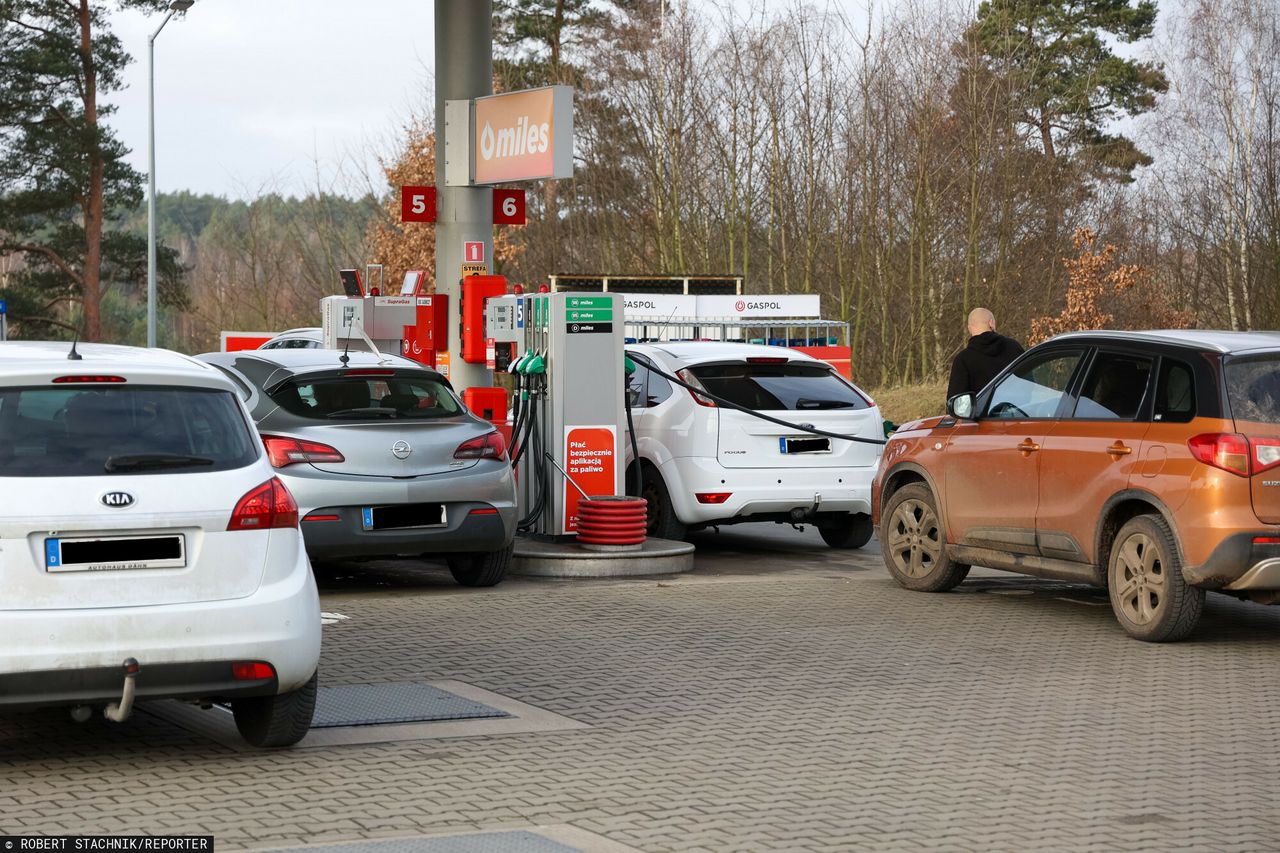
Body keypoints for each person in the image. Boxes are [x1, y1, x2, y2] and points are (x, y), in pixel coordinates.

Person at [946, 307, 1023, 401]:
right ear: (991, 323)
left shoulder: (963, 359)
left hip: (982, 415)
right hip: (1017, 412)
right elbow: (1028, 385)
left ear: (969, 329)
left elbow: (956, 403)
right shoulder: (1014, 347)